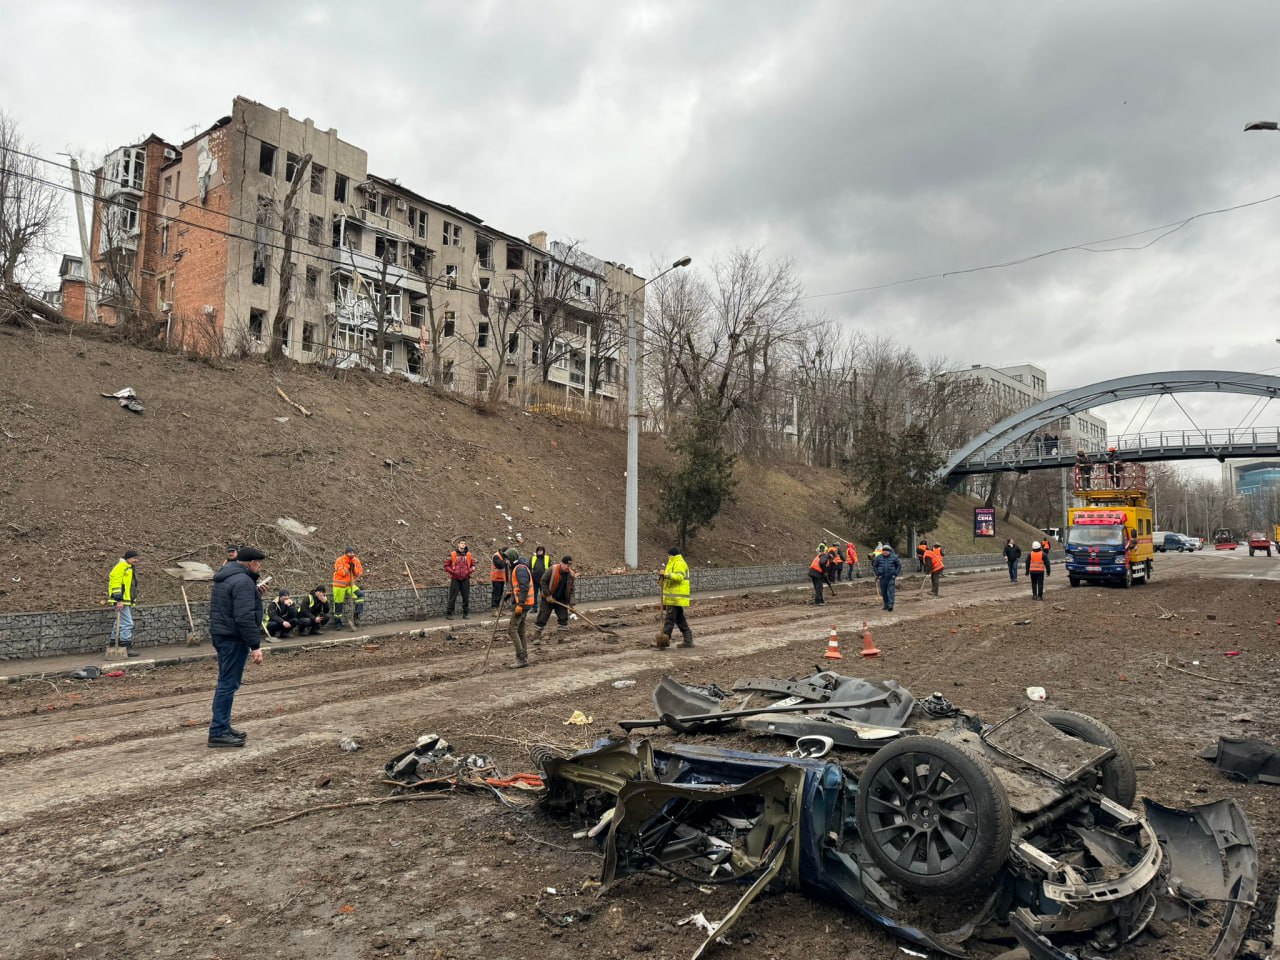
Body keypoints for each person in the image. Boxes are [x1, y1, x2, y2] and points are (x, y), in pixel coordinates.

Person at [208, 546, 267, 748]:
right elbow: (244, 617)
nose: (259, 567)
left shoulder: (229, 576)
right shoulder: (242, 581)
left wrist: (254, 592)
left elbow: (235, 604)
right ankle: (219, 731)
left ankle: (222, 726)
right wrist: (255, 645)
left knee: (226, 682)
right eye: (258, 564)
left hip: (222, 634)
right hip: (233, 638)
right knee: (228, 684)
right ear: (251, 563)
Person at [107, 549, 141, 656]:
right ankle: (126, 647)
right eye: (134, 558)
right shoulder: (121, 567)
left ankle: (113, 644)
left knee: (119, 623)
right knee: (127, 623)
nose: (136, 560)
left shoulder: (128, 568)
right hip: (122, 600)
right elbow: (115, 584)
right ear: (128, 558)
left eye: (137, 558)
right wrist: (119, 599)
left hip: (126, 600)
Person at [535, 556, 576, 640]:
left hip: (561, 599)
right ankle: (537, 637)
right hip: (548, 598)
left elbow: (571, 590)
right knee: (542, 617)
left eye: (569, 566)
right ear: (561, 563)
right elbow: (543, 581)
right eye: (566, 565)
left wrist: (572, 605)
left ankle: (561, 638)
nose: (568, 568)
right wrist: (548, 595)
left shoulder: (570, 575)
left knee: (563, 618)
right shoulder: (552, 569)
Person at [505, 548, 534, 668]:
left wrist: (520, 604)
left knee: (512, 630)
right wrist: (511, 594)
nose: (506, 562)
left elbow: (524, 587)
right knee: (521, 631)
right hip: (526, 603)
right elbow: (519, 587)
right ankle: (524, 657)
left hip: (523, 604)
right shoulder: (519, 567)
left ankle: (521, 658)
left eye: (507, 559)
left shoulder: (520, 569)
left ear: (511, 558)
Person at [660, 546, 693, 647]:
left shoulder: (678, 563)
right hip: (674, 598)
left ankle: (663, 642)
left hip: (675, 598)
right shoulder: (674, 563)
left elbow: (679, 577)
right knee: (680, 619)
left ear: (671, 555)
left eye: (668, 555)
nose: (668, 557)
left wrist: (666, 575)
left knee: (669, 620)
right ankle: (688, 641)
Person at [331, 546, 365, 629]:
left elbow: (359, 572)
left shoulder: (356, 560)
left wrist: (354, 569)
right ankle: (337, 623)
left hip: (350, 585)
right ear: (346, 553)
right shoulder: (339, 560)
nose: (352, 554)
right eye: (350, 553)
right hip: (339, 586)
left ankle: (356, 615)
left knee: (360, 595)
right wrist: (348, 566)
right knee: (338, 604)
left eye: (353, 553)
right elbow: (341, 572)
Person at [444, 539, 476, 620]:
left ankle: (465, 613)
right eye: (461, 543)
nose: (463, 545)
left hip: (465, 578)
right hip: (455, 579)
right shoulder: (452, 554)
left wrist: (469, 571)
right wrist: (453, 572)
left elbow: (473, 565)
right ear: (458, 544)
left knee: (466, 597)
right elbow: (446, 566)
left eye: (464, 543)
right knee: (452, 597)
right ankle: (449, 613)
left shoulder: (468, 554)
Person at [872, 543, 902, 612]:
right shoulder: (879, 557)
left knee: (891, 591)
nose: (885, 552)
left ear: (889, 551)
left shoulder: (894, 557)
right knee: (884, 592)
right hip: (882, 577)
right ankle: (886, 604)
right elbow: (875, 566)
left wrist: (895, 574)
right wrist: (877, 574)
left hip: (891, 577)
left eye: (886, 551)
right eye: (884, 550)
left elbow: (899, 566)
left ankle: (891, 605)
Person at [490, 547, 509, 611]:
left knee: (500, 594)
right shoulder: (496, 556)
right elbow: (500, 565)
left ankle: (498, 609)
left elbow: (505, 569)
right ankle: (494, 609)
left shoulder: (503, 557)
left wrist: (507, 579)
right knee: (496, 594)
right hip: (496, 578)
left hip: (502, 578)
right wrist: (505, 561)